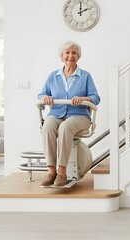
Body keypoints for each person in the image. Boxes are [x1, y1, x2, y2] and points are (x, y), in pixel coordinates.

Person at [37, 41, 100, 186]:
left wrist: (84, 98)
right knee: (47, 127)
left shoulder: (85, 76)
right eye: (67, 52)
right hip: (56, 113)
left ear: (78, 57)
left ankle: (62, 172)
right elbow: (41, 94)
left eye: (74, 53)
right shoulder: (53, 76)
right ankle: (51, 171)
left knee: (65, 127)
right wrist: (44, 97)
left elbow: (96, 98)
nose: (70, 56)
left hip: (79, 116)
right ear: (61, 56)